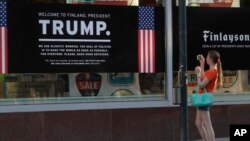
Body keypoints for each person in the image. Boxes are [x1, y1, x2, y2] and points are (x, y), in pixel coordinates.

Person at [195, 50, 223, 141]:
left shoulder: (212, 72)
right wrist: (202, 64)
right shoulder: (212, 71)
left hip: (203, 99)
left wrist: (198, 75)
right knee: (198, 123)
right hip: (201, 99)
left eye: (207, 57)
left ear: (210, 59)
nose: (206, 58)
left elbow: (201, 84)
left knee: (207, 124)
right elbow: (204, 78)